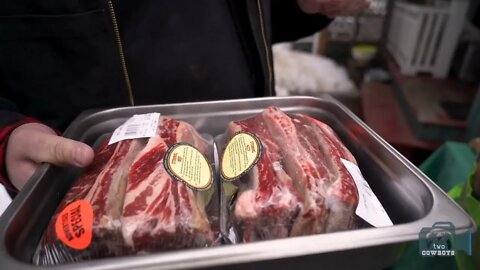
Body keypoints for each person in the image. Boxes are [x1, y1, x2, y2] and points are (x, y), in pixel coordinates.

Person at [0, 0, 370, 193]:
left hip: (246, 164)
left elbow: (242, 19)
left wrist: (304, 5)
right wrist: (5, 132)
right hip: (90, 177)